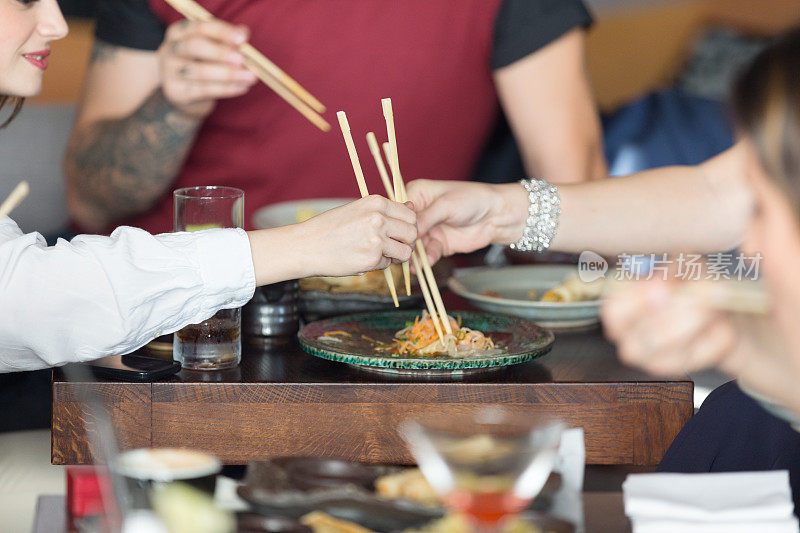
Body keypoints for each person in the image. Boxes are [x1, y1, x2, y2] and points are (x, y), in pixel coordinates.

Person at [0, 0, 417, 373]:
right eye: (25, 0)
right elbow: (23, 302)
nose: (58, 24)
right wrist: (305, 245)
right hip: (149, 346)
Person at [63, 0, 606, 235]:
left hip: (402, 317)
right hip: (186, 321)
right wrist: (174, 105)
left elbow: (576, 190)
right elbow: (90, 199)